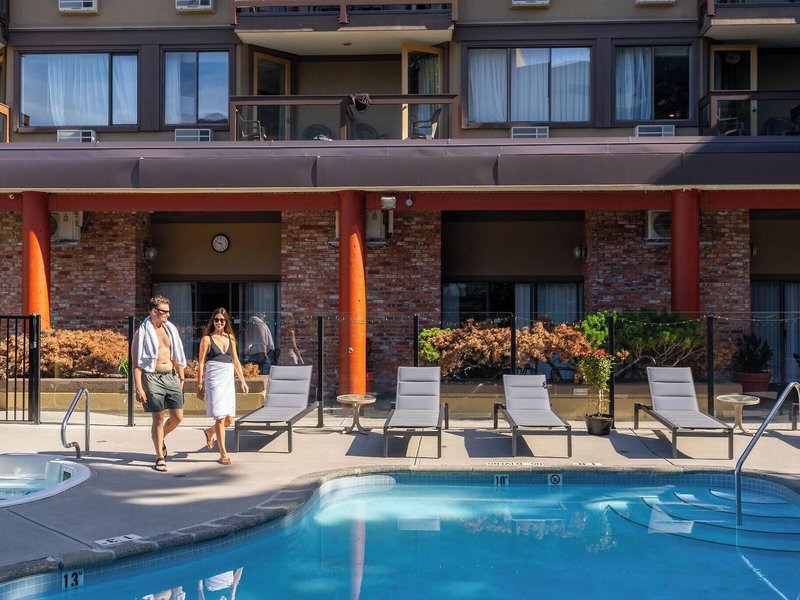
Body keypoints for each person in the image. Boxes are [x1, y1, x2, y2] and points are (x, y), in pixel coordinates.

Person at [133, 295, 187, 473]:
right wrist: (139, 387)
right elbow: (136, 364)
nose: (168, 315)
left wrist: (181, 377)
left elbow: (177, 355)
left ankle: (159, 437)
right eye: (164, 312)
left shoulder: (171, 329)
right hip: (152, 377)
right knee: (158, 418)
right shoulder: (142, 333)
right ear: (153, 311)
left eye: (168, 312)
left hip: (171, 375)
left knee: (178, 417)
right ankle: (159, 457)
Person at [197, 308, 249, 465]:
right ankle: (223, 454)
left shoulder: (231, 338)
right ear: (212, 321)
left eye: (222, 320)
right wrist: (200, 385)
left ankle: (210, 431)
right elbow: (201, 363)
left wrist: (243, 381)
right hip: (214, 379)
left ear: (226, 322)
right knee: (220, 417)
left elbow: (236, 360)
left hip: (227, 379)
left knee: (228, 419)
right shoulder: (207, 339)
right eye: (216, 320)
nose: (219, 322)